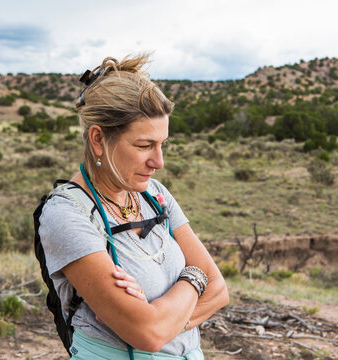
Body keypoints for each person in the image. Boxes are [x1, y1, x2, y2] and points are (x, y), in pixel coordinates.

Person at [39, 54, 229, 360]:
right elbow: (147, 333)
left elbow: (219, 289)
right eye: (144, 146)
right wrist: (195, 277)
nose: (159, 162)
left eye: (162, 144)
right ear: (98, 139)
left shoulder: (154, 194)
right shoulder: (66, 214)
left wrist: (157, 319)